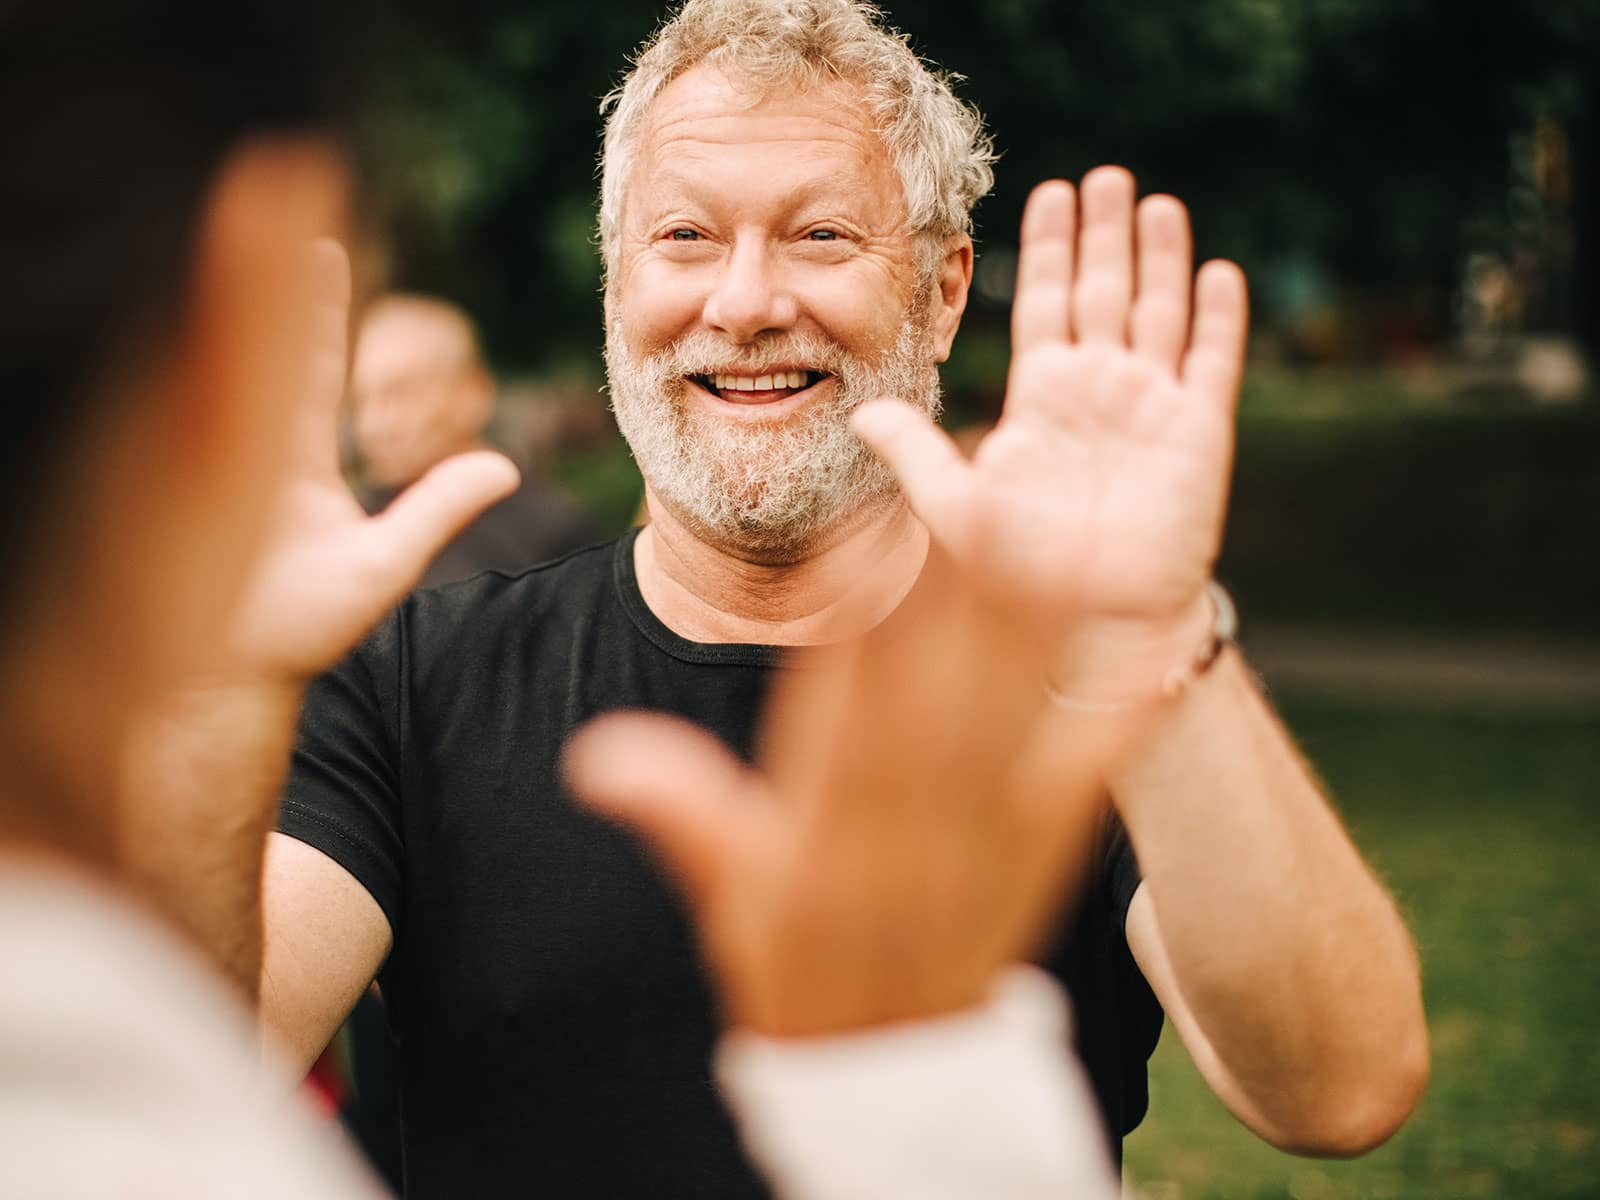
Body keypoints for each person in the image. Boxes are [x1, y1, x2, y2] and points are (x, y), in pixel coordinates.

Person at [125, 1, 1429, 1196]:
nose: (745, 302)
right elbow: (173, 1075)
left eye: (820, 234)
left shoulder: (1079, 685)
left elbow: (1340, 1090)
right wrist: (221, 684)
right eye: (684, 235)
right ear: (616, 284)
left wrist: (1145, 634)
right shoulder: (412, 673)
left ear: (943, 290)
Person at [349, 293, 597, 587]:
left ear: (473, 393)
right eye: (361, 400)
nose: (373, 426)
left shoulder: (548, 532)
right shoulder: (355, 525)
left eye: (401, 394)